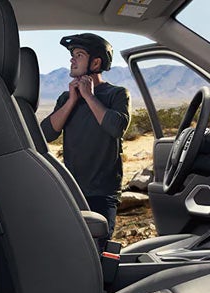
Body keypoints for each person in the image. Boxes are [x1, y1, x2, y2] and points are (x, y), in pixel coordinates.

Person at [40, 33, 131, 249]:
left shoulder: (116, 94)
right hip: (71, 190)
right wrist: (73, 100)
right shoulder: (66, 97)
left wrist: (89, 96)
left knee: (97, 251)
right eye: (72, 55)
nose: (72, 60)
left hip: (103, 192)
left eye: (79, 55)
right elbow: (45, 134)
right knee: (71, 250)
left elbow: (115, 127)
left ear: (96, 62)